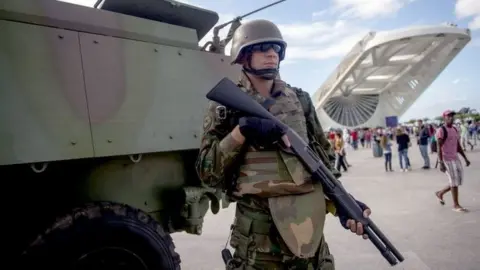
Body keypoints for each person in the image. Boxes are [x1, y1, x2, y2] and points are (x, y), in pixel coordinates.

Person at [195, 19, 371, 269]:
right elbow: (206, 173)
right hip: (259, 237)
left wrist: (342, 205)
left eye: (276, 49)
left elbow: (320, 160)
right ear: (243, 56)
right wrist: (241, 132)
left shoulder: (300, 100)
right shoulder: (225, 107)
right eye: (263, 47)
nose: (271, 54)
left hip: (308, 229)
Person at [434, 110, 471, 213]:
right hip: (446, 159)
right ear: (444, 118)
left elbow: (458, 145)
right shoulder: (441, 130)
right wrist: (441, 163)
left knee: (458, 181)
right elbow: (438, 147)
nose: (451, 118)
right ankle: (456, 205)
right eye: (448, 116)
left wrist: (465, 158)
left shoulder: (455, 129)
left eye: (452, 116)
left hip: (455, 158)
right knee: (454, 182)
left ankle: (440, 193)